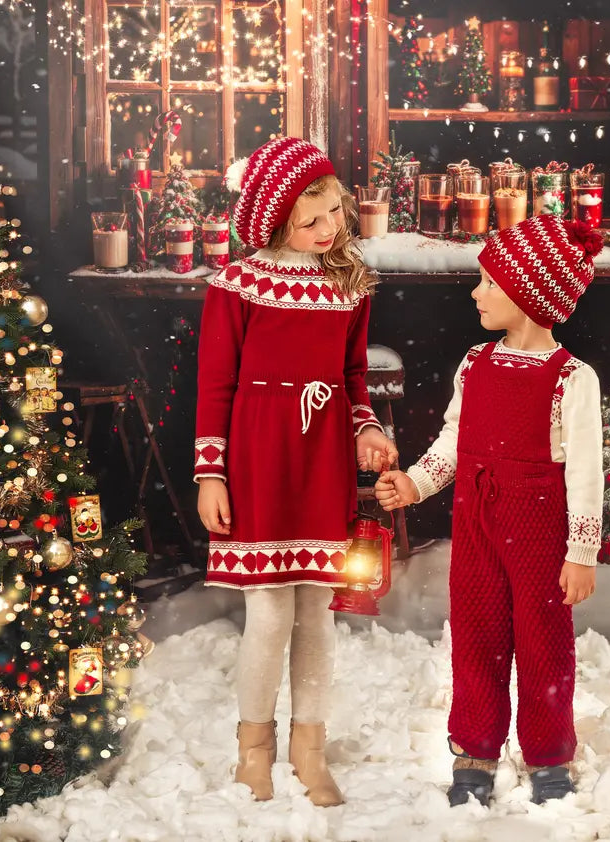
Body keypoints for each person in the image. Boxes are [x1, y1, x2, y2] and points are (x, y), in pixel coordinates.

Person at [194, 137, 397, 806]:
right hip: (257, 460)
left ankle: (309, 751)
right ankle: (254, 753)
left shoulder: (348, 285)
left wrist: (366, 428)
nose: (329, 229)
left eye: (335, 214)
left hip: (321, 460)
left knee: (317, 612)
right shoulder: (236, 286)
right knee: (270, 613)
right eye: (311, 221)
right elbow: (215, 386)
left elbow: (353, 376)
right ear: (276, 220)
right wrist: (210, 474)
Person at [375, 215, 604, 806]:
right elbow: (453, 442)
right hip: (476, 526)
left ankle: (549, 756)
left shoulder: (572, 380)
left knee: (543, 643)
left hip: (540, 532)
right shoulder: (475, 362)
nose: (476, 293)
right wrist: (415, 484)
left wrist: (580, 554)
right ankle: (474, 749)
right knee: (476, 637)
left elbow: (584, 473)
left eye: (488, 284)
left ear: (528, 295)